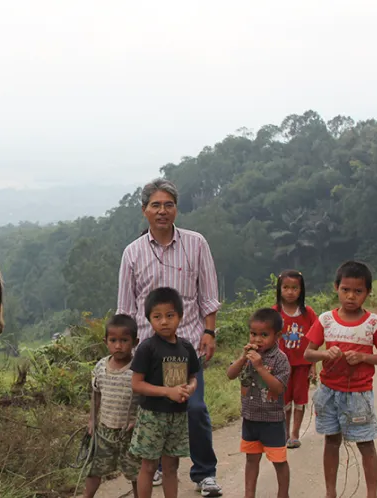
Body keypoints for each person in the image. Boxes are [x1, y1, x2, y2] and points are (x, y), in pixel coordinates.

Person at [117, 178, 223, 497]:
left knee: (194, 408)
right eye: (155, 205)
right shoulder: (132, 253)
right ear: (144, 210)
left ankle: (204, 473)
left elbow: (208, 294)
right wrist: (124, 350)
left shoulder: (196, 244)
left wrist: (209, 331)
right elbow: (125, 307)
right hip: (148, 350)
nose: (162, 211)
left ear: (176, 208)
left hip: (185, 346)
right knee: (154, 412)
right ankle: (160, 467)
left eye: (168, 204)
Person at [303, 261, 377, 498]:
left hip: (358, 395)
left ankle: (372, 494)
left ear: (368, 292)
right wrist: (325, 354)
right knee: (331, 441)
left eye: (358, 291)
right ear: (336, 288)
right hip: (328, 392)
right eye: (345, 290)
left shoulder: (373, 323)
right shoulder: (326, 320)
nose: (351, 296)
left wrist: (364, 357)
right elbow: (308, 354)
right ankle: (330, 492)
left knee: (365, 443)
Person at [129, 287, 200, 498]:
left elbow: (193, 376)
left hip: (177, 416)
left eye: (170, 316)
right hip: (152, 416)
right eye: (157, 317)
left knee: (171, 466)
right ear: (149, 319)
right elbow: (137, 384)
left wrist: (191, 387)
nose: (164, 322)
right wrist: (167, 392)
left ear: (180, 316)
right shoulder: (147, 348)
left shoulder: (186, 348)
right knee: (149, 466)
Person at [226, 308, 291, 498]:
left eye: (264, 335)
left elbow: (278, 388)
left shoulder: (280, 359)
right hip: (250, 418)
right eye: (253, 334)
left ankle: (283, 494)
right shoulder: (248, 356)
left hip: (272, 420)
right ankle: (249, 494)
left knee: (279, 461)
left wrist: (260, 367)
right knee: (251, 459)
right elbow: (230, 374)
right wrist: (242, 358)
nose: (257, 340)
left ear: (277, 336)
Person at [83, 313, 142, 498]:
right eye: (113, 340)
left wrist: (137, 420)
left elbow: (146, 399)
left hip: (131, 433)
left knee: (137, 473)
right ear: (105, 342)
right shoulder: (100, 367)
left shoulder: (139, 369)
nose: (118, 345)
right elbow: (96, 395)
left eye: (124, 340)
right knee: (94, 469)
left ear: (135, 342)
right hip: (104, 431)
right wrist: (92, 420)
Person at [271, 269, 318, 448]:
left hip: (302, 364)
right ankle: (284, 432)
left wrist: (313, 365)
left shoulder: (308, 313)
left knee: (300, 399)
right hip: (281, 366)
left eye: (294, 288)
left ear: (301, 290)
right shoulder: (274, 313)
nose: (290, 292)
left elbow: (315, 340)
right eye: (286, 287)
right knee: (284, 399)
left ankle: (295, 434)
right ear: (279, 289)